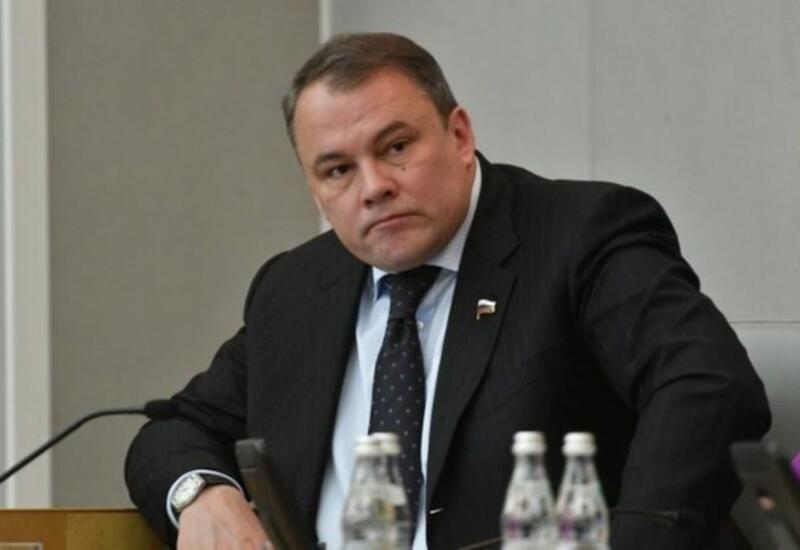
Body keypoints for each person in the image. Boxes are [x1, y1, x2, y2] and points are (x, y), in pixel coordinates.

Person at [125, 32, 771, 549]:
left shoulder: (578, 237)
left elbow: (707, 386)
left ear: (459, 136)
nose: (373, 187)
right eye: (338, 170)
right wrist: (201, 493)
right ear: (314, 189)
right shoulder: (295, 290)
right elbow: (175, 430)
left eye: (395, 147)